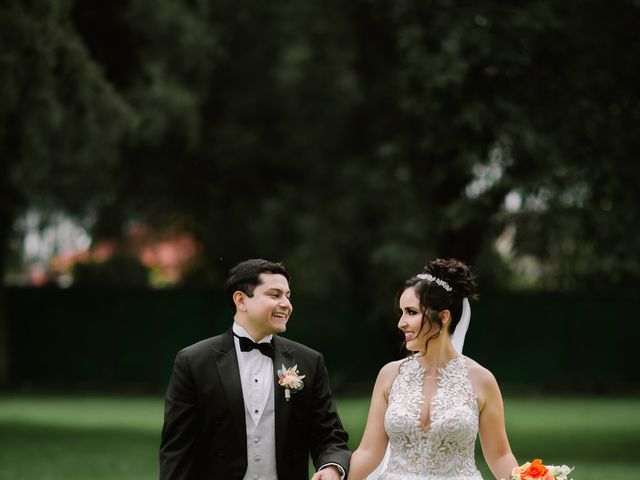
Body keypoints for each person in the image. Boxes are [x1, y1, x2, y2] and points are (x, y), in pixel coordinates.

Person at [160, 258, 351, 480]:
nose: (286, 304)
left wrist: (331, 467)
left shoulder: (310, 361)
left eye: (288, 296)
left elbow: (329, 435)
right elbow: (177, 450)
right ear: (241, 300)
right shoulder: (193, 361)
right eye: (274, 295)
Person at [348, 258, 518, 480]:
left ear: (444, 317)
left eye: (411, 312)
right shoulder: (390, 375)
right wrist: (335, 476)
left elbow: (500, 456)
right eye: (401, 312)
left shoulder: (481, 380)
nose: (401, 323)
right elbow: (369, 452)